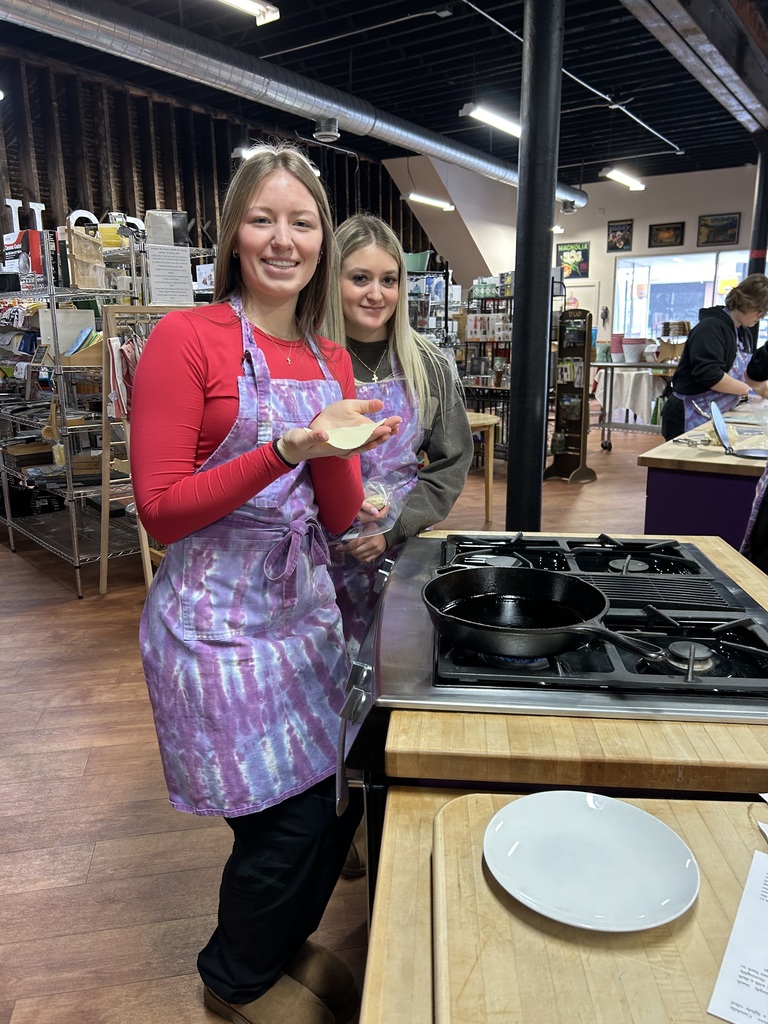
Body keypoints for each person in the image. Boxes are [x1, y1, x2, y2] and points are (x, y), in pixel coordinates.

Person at [129, 143, 400, 1024]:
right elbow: (162, 512)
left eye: (303, 221)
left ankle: (279, 945)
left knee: (333, 795)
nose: (284, 239)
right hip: (218, 627)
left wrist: (352, 458)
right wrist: (289, 446)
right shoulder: (187, 339)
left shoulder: (331, 356)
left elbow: (331, 515)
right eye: (264, 219)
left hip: (305, 615)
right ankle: (233, 979)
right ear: (234, 234)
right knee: (279, 826)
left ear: (321, 236)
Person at [322, 213, 473, 660]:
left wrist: (395, 528)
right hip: (317, 558)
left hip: (403, 552)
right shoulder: (306, 361)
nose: (376, 293)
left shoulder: (428, 363)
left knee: (396, 664)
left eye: (389, 280)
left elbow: (451, 461)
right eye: (360, 278)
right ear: (333, 279)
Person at [668, 274, 768, 433]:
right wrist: (748, 391)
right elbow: (710, 374)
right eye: (760, 311)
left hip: (714, 413)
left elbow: (746, 372)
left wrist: (762, 389)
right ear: (747, 301)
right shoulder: (711, 327)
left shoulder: (743, 332)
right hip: (690, 412)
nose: (761, 316)